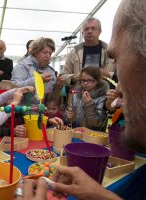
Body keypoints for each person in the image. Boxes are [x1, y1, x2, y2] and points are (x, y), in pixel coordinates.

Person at [19, 0, 146, 199]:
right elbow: (65, 78)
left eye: (119, 59)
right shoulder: (74, 55)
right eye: (85, 28)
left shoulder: (102, 89)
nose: (117, 89)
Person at [61, 17, 115, 86]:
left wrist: (106, 74)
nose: (89, 31)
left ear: (100, 31)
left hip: (104, 94)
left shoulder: (110, 51)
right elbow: (63, 76)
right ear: (82, 33)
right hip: (79, 93)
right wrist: (75, 78)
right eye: (86, 29)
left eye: (93, 28)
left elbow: (120, 75)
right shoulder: (74, 52)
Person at [11, 37, 58, 106]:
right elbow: (13, 88)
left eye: (50, 53)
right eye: (45, 52)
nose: (48, 56)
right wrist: (36, 80)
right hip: (23, 113)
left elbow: (52, 94)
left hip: (44, 113)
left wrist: (58, 86)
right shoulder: (22, 67)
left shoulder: (51, 71)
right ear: (35, 52)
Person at [63, 66, 108, 131]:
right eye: (83, 80)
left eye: (90, 80)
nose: (85, 83)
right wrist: (69, 117)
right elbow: (67, 116)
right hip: (76, 131)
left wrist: (89, 105)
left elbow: (97, 123)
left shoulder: (102, 98)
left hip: (93, 135)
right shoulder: (76, 94)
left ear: (97, 81)